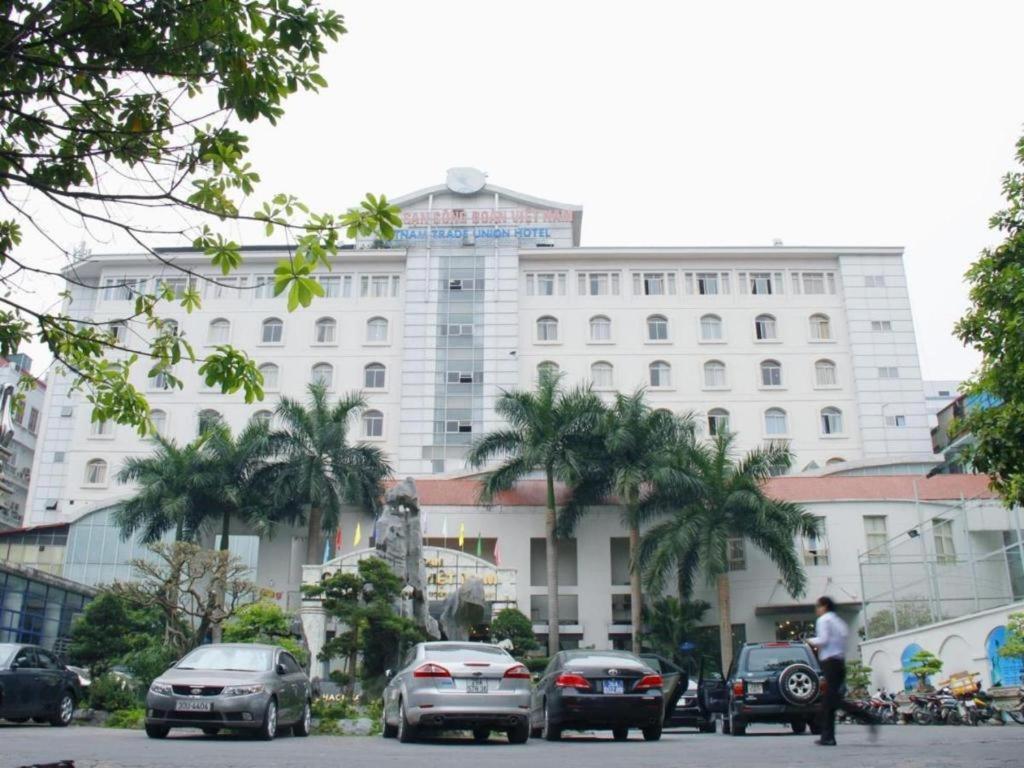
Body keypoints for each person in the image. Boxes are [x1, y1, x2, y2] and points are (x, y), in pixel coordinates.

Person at [807, 595, 878, 746]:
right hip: (839, 661)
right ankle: (828, 737)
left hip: (830, 662)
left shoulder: (824, 620)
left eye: (818, 607)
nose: (817, 610)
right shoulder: (838, 621)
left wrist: (809, 641)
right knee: (830, 702)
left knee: (832, 700)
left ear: (824, 606)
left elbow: (823, 639)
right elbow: (845, 635)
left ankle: (868, 717)